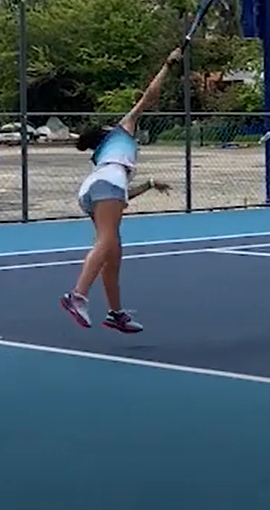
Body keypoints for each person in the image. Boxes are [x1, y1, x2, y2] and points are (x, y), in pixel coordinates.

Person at [59, 48, 180, 333]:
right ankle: (77, 296)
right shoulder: (122, 130)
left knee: (113, 253)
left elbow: (119, 196)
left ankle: (115, 313)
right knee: (106, 241)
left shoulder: (106, 157)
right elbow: (149, 96)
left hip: (95, 190)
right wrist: (168, 66)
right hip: (106, 187)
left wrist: (149, 185)